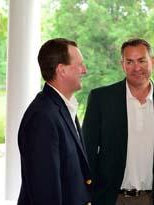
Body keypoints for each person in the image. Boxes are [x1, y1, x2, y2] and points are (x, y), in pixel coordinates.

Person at [82, 38, 154, 205]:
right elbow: (88, 151)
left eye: (142, 61)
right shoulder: (101, 99)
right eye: (129, 62)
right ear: (122, 64)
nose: (136, 68)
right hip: (112, 199)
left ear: (153, 62)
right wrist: (90, 197)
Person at [17, 38, 92, 205]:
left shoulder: (61, 108)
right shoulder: (42, 117)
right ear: (62, 70)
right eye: (79, 64)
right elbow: (45, 190)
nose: (84, 70)